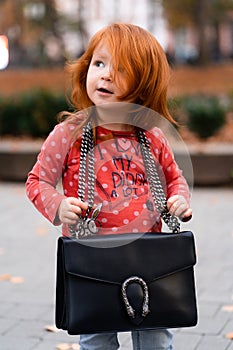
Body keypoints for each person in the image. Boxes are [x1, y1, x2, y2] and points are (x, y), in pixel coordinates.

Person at [26, 22, 192, 350]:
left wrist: (179, 200)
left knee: (156, 339)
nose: (105, 75)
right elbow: (37, 181)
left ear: (144, 84)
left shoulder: (152, 137)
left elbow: (175, 179)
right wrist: (58, 205)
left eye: (121, 69)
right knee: (97, 339)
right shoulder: (69, 134)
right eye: (99, 63)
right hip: (91, 259)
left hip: (149, 257)